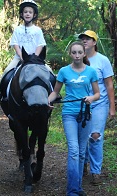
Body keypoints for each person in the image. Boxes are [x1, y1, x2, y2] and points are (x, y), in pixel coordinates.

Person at [48, 41, 100, 196]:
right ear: (70, 54)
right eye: (74, 52)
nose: (77, 55)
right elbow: (55, 92)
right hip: (69, 114)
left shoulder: (91, 72)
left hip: (85, 114)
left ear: (84, 54)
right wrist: (48, 100)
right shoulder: (64, 71)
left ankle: (77, 187)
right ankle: (72, 191)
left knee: (82, 152)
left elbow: (97, 94)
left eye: (79, 52)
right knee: (73, 150)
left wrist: (91, 98)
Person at [78, 30, 116, 185]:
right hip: (82, 105)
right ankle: (84, 163)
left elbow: (109, 85)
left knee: (95, 136)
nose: (85, 41)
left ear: (94, 42)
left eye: (88, 39)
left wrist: (112, 107)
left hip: (100, 104)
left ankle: (95, 171)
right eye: (82, 39)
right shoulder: (78, 59)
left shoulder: (103, 60)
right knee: (83, 136)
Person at [0, 0, 52, 83]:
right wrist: (21, 56)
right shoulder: (17, 30)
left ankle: (54, 93)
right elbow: (15, 44)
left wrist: (35, 57)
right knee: (6, 71)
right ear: (21, 14)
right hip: (19, 58)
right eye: (25, 12)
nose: (27, 14)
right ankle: (0, 93)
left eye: (30, 12)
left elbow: (40, 45)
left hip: (35, 58)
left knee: (50, 71)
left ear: (34, 15)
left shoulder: (37, 30)